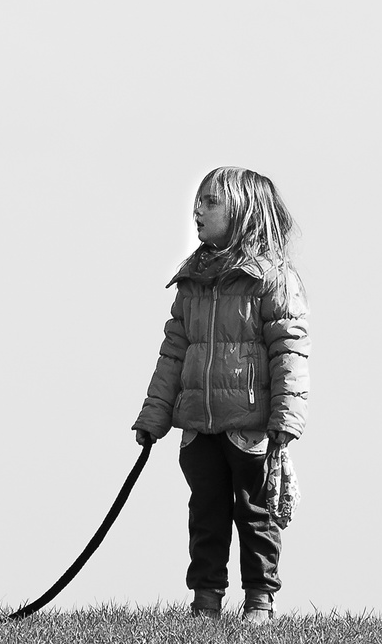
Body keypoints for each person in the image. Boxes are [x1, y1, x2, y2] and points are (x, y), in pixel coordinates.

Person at [131, 166, 309, 624]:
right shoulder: (192, 280)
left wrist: (285, 425)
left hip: (249, 426)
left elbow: (288, 352)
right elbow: (174, 351)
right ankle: (205, 602)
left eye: (210, 202)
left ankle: (259, 602)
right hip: (197, 425)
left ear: (243, 211)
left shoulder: (271, 278)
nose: (197, 210)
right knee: (205, 518)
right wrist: (154, 415)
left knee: (255, 517)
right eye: (198, 201)